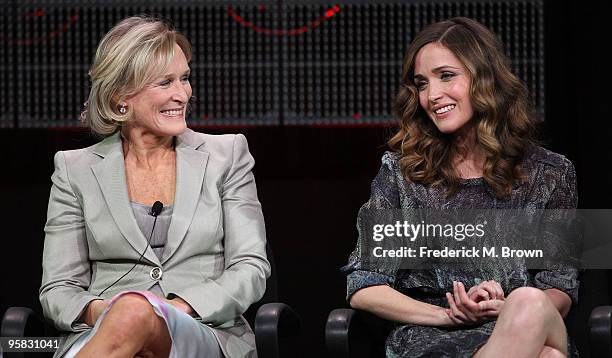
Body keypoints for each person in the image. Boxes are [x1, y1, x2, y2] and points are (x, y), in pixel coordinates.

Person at [343, 17, 578, 357]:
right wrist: (447, 315)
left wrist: (507, 309)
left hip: (525, 321)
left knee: (528, 301)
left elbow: (560, 287)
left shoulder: (551, 174)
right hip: (432, 339)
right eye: (421, 84)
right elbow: (364, 285)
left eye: (446, 76)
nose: (432, 95)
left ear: (485, 78)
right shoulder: (403, 174)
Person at [39, 16, 270, 358]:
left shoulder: (227, 155)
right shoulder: (75, 170)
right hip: (104, 332)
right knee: (131, 313)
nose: (183, 94)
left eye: (185, 78)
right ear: (121, 96)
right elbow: (58, 289)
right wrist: (112, 315)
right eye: (165, 82)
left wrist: (173, 309)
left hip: (202, 330)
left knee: (135, 311)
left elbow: (250, 266)